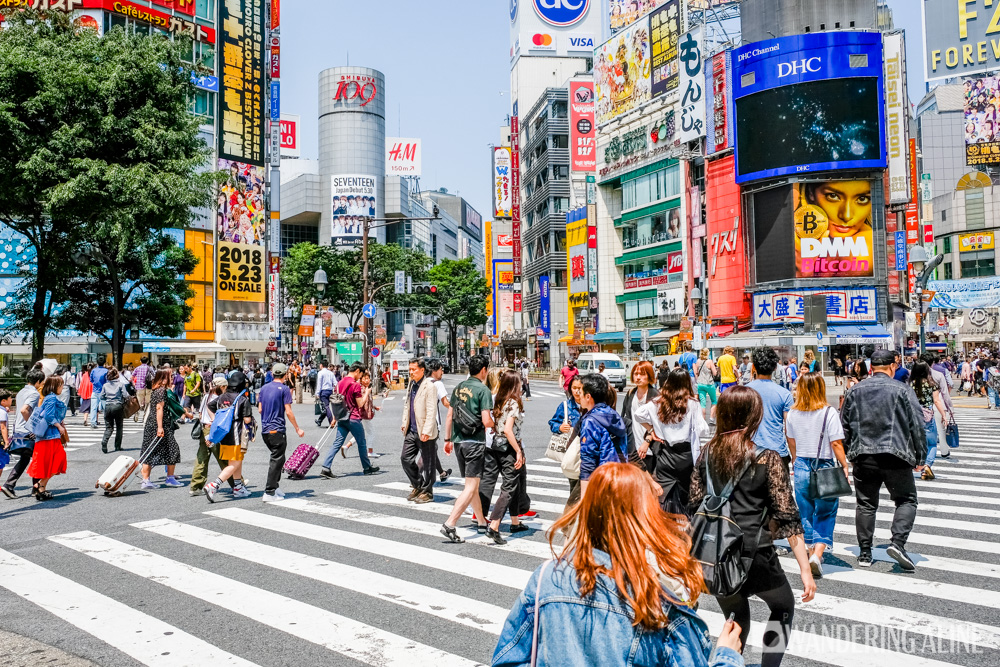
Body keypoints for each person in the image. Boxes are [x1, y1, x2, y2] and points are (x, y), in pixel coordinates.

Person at [493, 463, 744, 667]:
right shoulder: (654, 599)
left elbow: (506, 660)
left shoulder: (547, 577)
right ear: (644, 518)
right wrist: (727, 656)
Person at [689, 386, 815, 667]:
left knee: (735, 618)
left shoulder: (707, 454)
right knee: (783, 607)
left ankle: (730, 662)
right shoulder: (765, 458)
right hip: (756, 551)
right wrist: (806, 570)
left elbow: (693, 504)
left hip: (717, 554)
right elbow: (788, 516)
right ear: (753, 418)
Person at [841, 348, 926, 570]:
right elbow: (917, 425)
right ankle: (897, 543)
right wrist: (921, 455)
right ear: (892, 366)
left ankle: (865, 552)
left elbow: (845, 426)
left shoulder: (855, 391)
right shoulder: (903, 390)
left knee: (866, 504)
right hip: (896, 455)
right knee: (906, 500)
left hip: (863, 455)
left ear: (871, 368)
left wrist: (849, 452)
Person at [786, 372, 850, 579]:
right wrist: (844, 465)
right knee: (826, 511)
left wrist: (796, 460)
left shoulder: (793, 413)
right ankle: (818, 554)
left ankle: (811, 551)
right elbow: (836, 443)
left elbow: (791, 441)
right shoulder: (828, 412)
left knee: (805, 511)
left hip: (802, 465)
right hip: (824, 466)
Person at [635, 368, 709, 516]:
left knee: (663, 493)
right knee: (687, 493)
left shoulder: (658, 402)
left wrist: (652, 430)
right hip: (686, 456)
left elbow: (638, 415)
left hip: (666, 454)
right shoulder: (692, 403)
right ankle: (685, 525)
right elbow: (703, 430)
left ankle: (664, 523)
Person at [441, 355, 495, 543]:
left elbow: (449, 415)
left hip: (458, 441)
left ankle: (481, 521)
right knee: (471, 487)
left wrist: (447, 439)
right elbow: (487, 420)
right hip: (474, 442)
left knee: (472, 485)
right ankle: (450, 523)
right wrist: (497, 427)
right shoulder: (483, 389)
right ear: (483, 370)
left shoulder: (459, 388)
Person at [479, 369, 528, 545]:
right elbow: (509, 430)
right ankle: (494, 526)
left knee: (513, 484)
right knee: (509, 486)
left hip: (494, 446)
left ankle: (515, 522)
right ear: (515, 384)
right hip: (508, 447)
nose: (522, 384)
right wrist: (519, 451)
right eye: (520, 382)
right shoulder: (513, 403)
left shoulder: (500, 400)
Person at [318, 362, 380, 477]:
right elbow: (360, 404)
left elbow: (338, 402)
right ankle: (367, 467)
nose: (360, 377)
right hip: (353, 417)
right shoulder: (355, 384)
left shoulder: (339, 383)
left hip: (342, 417)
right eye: (361, 374)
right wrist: (366, 393)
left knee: (337, 443)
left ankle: (326, 467)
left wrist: (335, 418)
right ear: (357, 371)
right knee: (361, 443)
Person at [204, 371, 255, 501]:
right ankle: (214, 485)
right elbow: (247, 420)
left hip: (224, 434)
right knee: (234, 463)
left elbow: (209, 406)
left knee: (235, 461)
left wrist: (215, 420)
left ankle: (238, 488)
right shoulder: (243, 399)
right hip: (237, 435)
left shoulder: (222, 397)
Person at [258, 363, 305, 502]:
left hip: (265, 429)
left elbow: (260, 409)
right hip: (277, 429)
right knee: (277, 459)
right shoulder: (284, 389)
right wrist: (297, 428)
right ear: (285, 375)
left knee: (279, 458)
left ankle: (275, 486)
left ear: (272, 374)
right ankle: (269, 491)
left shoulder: (264, 388)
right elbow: (289, 411)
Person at [578, 374, 628, 494]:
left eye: (580, 392)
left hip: (602, 481)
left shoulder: (590, 421)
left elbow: (588, 461)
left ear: (588, 396)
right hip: (622, 477)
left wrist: (584, 497)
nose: (578, 396)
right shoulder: (613, 414)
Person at [1, 368, 46, 499]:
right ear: (38, 381)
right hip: (28, 431)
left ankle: (12, 485)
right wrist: (33, 427)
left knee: (26, 457)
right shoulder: (34, 394)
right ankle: (35, 487)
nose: (42, 385)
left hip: (19, 430)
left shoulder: (21, 391)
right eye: (42, 382)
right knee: (37, 457)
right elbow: (24, 410)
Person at [400, 359, 440, 504]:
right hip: (411, 429)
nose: (411, 372)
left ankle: (428, 492)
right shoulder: (411, 384)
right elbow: (407, 405)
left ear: (422, 370)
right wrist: (404, 422)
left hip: (424, 430)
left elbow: (431, 410)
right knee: (405, 458)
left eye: (414, 369)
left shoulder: (430, 386)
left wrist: (427, 430)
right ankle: (418, 485)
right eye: (410, 369)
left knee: (428, 464)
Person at [746, 347, 794, 465]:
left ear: (754, 367)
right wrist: (794, 455)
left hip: (750, 452)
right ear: (775, 367)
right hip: (777, 452)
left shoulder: (744, 392)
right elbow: (789, 429)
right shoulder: (785, 394)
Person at [24, 376, 69, 501]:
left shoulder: (50, 397)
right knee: (57, 460)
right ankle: (41, 485)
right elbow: (48, 416)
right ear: (55, 386)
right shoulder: (51, 398)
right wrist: (59, 426)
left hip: (50, 435)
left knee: (52, 462)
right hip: (48, 435)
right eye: (61, 385)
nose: (62, 387)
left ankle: (41, 486)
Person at [191, 378, 237, 496]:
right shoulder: (220, 399)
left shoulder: (206, 396)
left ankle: (195, 486)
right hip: (214, 430)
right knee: (222, 457)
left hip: (204, 428)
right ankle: (236, 483)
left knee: (202, 458)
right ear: (222, 387)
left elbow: (200, 414)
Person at [139, 370, 183, 489]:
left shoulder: (155, 390)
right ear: (164, 379)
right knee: (172, 449)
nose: (172, 379)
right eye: (170, 377)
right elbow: (159, 408)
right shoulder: (162, 391)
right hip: (159, 424)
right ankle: (170, 478)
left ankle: (146, 480)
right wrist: (160, 427)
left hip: (151, 423)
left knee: (149, 450)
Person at [909, 360, 947, 481]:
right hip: (927, 416)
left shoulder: (910, 384)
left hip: (913, 416)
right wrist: (944, 415)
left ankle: (917, 463)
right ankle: (927, 465)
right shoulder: (931, 384)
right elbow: (936, 401)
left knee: (915, 443)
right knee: (931, 443)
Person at [621, 361, 659, 474]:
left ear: (649, 376)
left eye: (642, 374)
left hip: (650, 448)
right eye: (636, 374)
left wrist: (646, 442)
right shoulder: (630, 393)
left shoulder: (656, 396)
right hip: (633, 446)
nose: (638, 377)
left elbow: (658, 423)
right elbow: (625, 418)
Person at [426, 359, 451, 480]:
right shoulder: (437, 383)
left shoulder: (423, 382)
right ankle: (417, 478)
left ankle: (442, 472)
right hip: (433, 422)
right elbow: (446, 402)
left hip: (420, 421)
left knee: (431, 449)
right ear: (434, 371)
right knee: (429, 451)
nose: (442, 372)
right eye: (441, 369)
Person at [99, 367, 134, 454]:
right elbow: (126, 395)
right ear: (117, 375)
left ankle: (104, 441)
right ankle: (117, 446)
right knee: (119, 426)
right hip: (118, 406)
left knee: (109, 427)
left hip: (108, 406)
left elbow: (101, 396)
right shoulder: (120, 384)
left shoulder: (105, 385)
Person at [694, 349, 719, 423]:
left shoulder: (698, 361)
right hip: (709, 384)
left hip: (700, 384)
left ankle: (703, 420)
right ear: (707, 353)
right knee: (714, 401)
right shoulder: (709, 361)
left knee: (703, 403)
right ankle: (711, 419)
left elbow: (696, 372)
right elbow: (714, 373)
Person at [314, 361, 336, 427]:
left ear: (321, 365)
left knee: (326, 407)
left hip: (323, 391)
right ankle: (319, 421)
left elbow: (319, 384)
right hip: (330, 391)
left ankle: (331, 421)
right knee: (325, 407)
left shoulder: (320, 373)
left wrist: (317, 393)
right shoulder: (331, 373)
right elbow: (335, 383)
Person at [89, 355, 109, 429]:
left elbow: (91, 380)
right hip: (104, 392)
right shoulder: (106, 371)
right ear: (104, 362)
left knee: (93, 408)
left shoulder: (94, 370)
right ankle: (107, 422)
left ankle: (93, 422)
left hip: (95, 391)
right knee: (105, 408)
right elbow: (107, 381)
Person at [132, 356, 153, 422]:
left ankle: (137, 414)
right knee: (147, 402)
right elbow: (154, 376)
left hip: (139, 387)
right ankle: (145, 417)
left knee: (139, 402)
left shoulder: (137, 368)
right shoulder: (150, 368)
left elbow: (132, 377)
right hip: (148, 387)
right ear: (147, 361)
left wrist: (134, 384)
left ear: (140, 361)